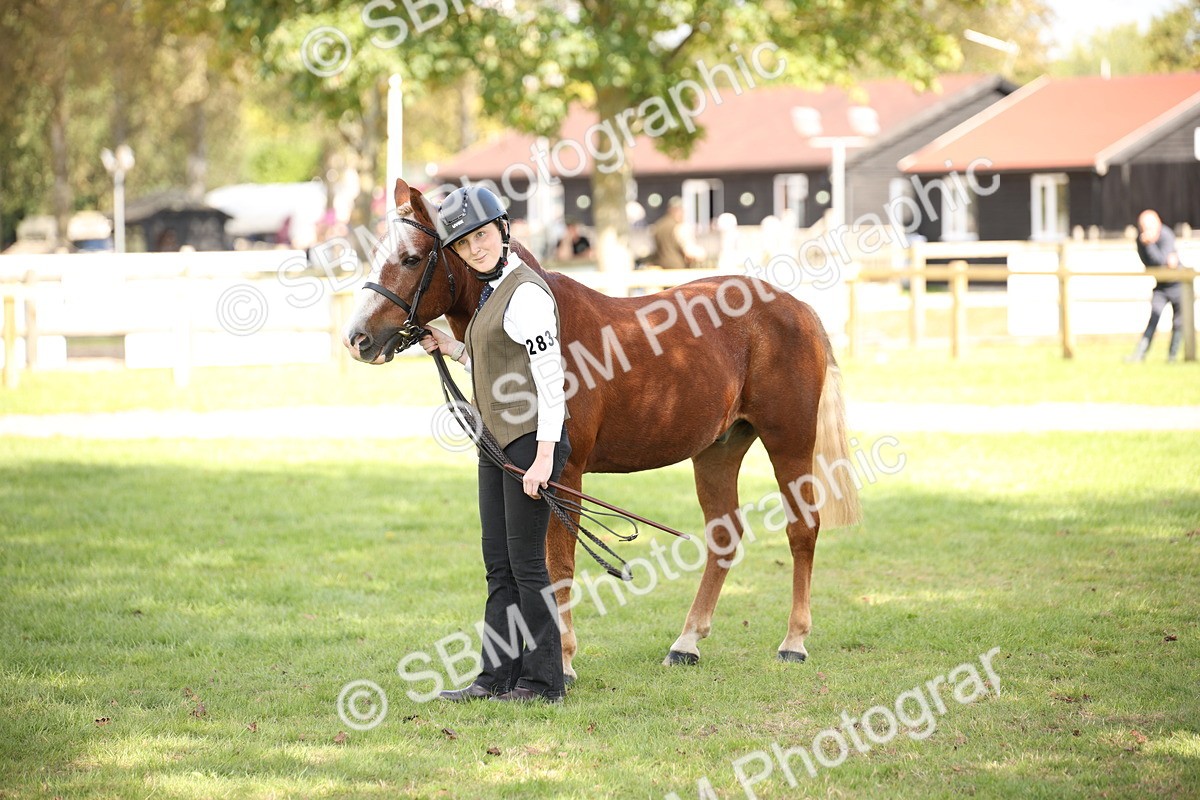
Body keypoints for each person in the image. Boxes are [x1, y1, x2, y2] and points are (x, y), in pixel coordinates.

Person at [419, 185, 571, 704]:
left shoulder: (526, 291)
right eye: (464, 244)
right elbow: (499, 362)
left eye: (481, 236)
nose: (475, 248)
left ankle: (544, 680)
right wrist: (453, 347)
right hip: (496, 445)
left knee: (528, 564)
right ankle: (496, 676)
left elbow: (550, 378)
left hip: (530, 443)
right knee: (498, 564)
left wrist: (546, 457)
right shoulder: (491, 290)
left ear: (502, 231)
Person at [1127, 209, 1184, 362]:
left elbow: (1160, 261)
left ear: (1157, 223)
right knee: (1154, 316)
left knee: (1179, 322)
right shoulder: (1141, 240)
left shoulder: (1166, 235)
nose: (1145, 230)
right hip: (1161, 285)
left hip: (1178, 283)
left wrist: (1150, 245)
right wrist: (1149, 245)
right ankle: (1139, 355)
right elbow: (1150, 263)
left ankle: (1172, 357)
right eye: (1142, 226)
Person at [647, 196, 704, 269]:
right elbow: (689, 252)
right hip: (677, 267)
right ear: (677, 210)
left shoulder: (658, 225)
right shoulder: (679, 227)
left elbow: (653, 249)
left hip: (662, 267)